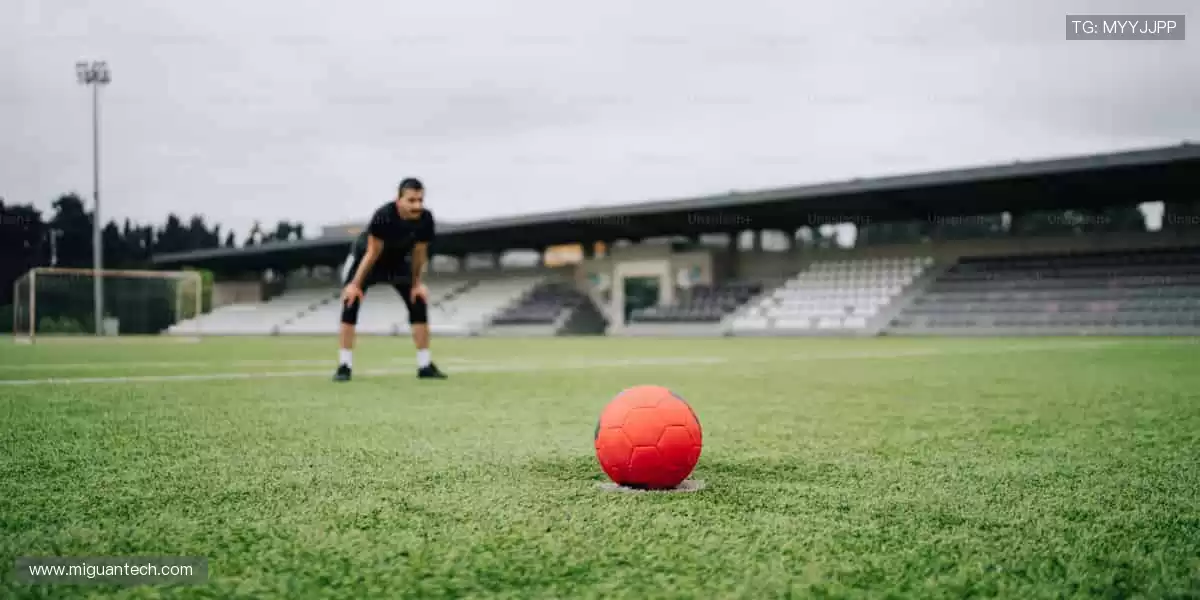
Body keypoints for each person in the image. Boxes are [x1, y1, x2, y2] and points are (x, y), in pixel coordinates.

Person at [333, 177, 447, 381]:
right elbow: (372, 252)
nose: (417, 205)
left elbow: (420, 254)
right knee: (350, 302)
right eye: (411, 200)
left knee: (418, 301)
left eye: (420, 200)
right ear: (399, 200)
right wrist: (355, 285)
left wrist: (416, 284)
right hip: (366, 259)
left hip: (396, 262)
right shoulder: (384, 215)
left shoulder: (425, 219)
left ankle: (425, 365)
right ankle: (344, 365)